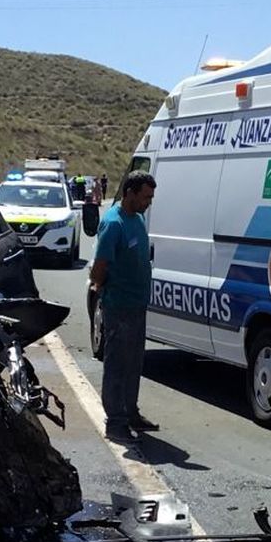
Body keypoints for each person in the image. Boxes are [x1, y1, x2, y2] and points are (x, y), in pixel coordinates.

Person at [89, 170, 157, 442]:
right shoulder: (113, 223)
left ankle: (131, 412)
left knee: (133, 362)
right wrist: (103, 287)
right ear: (129, 193)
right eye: (145, 196)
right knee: (117, 363)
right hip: (119, 305)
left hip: (137, 304)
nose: (148, 202)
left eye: (151, 197)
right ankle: (115, 421)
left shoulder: (137, 219)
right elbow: (99, 269)